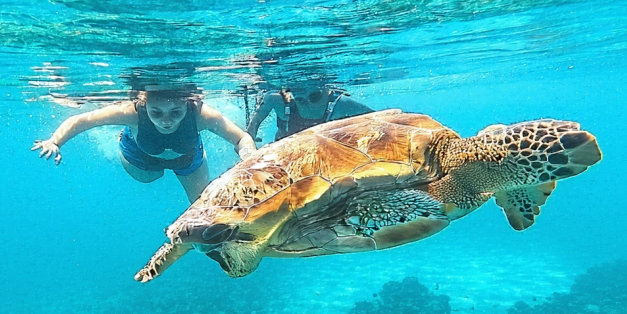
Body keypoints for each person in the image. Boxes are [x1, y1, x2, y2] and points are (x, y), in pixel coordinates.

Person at [32, 87, 257, 202]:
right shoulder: (132, 112)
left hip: (188, 158)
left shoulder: (201, 115)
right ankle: (125, 137)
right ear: (144, 105)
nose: (166, 120)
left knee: (202, 204)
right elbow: (83, 120)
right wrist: (55, 141)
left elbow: (241, 138)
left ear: (187, 106)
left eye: (176, 112)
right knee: (149, 178)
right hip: (141, 157)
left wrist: (250, 161)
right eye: (156, 113)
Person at [246, 84, 373, 142]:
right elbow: (251, 129)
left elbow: (379, 119)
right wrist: (250, 141)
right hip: (285, 157)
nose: (308, 103)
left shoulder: (339, 104)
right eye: (300, 99)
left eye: (314, 97)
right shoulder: (279, 100)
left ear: (327, 91)